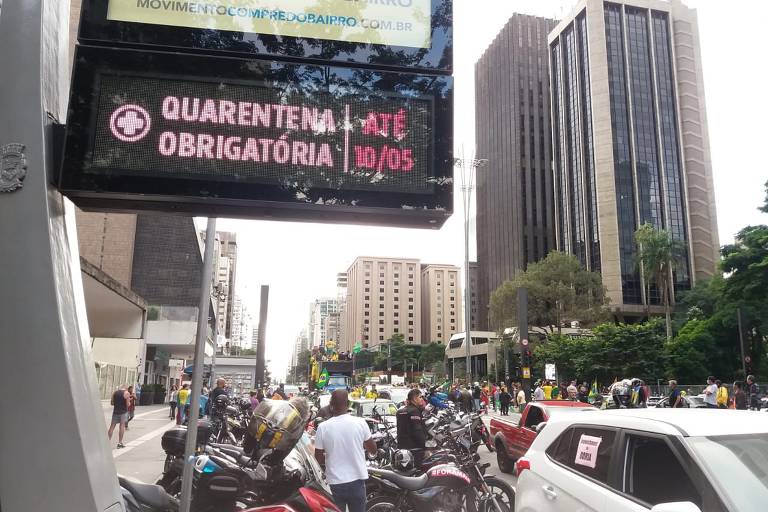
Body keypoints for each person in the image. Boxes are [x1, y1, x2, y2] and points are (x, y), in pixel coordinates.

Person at [314, 390, 377, 512]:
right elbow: (373, 449)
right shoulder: (360, 423)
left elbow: (318, 459)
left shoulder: (322, 427)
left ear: (331, 404)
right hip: (357, 481)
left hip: (334, 483)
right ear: (348, 404)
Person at [396, 389, 429, 466]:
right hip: (414, 450)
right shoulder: (414, 411)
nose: (422, 399)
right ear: (414, 399)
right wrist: (425, 447)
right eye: (420, 397)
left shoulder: (400, 411)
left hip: (401, 449)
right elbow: (417, 431)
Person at [108, 384, 131, 449]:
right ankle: (119, 443)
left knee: (112, 427)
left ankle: (107, 442)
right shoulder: (127, 393)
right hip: (123, 412)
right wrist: (129, 402)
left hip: (115, 412)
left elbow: (112, 403)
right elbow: (127, 404)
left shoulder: (115, 393)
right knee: (122, 426)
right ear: (126, 388)